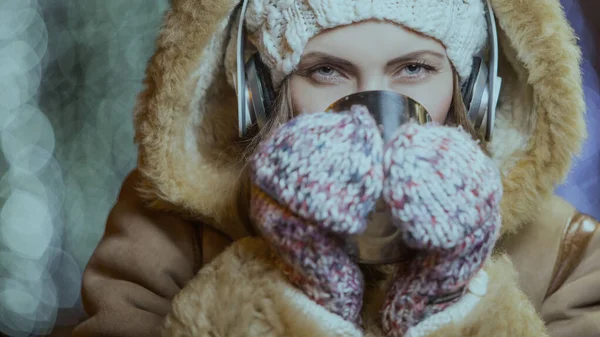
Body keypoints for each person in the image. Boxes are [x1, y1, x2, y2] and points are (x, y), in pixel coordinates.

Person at [72, 0, 600, 336]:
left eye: (414, 69)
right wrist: (291, 295)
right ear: (261, 94)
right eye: (327, 71)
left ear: (474, 93)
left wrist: (451, 304)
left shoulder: (567, 253)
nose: (373, 109)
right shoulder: (168, 231)